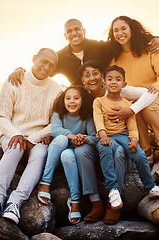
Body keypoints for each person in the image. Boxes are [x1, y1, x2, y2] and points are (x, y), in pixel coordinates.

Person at [0, 48, 62, 225]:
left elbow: (53, 124)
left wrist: (33, 138)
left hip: (38, 138)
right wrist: (17, 134)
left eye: (52, 65)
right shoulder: (14, 81)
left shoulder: (56, 89)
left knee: (40, 154)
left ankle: (14, 203)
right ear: (34, 59)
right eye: (44, 62)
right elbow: (1, 116)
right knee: (15, 148)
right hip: (13, 132)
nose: (47, 67)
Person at [93, 65, 159, 224]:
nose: (114, 82)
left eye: (118, 79)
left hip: (122, 135)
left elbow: (132, 126)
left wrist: (134, 140)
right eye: (110, 79)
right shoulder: (99, 101)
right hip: (106, 136)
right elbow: (98, 120)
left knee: (139, 154)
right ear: (104, 82)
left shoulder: (127, 104)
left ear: (124, 84)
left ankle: (150, 188)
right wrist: (103, 135)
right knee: (106, 151)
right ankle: (113, 190)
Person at [105, 16, 159, 165]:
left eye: (123, 28)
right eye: (115, 30)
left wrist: (157, 88)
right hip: (139, 97)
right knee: (136, 107)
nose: (120, 33)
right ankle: (146, 151)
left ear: (132, 30)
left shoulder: (151, 48)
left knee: (147, 106)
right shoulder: (115, 58)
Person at [8, 18, 159, 86]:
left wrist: (155, 38)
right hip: (79, 98)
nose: (74, 33)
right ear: (65, 36)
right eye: (69, 31)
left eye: (77, 29)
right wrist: (20, 70)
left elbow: (122, 39)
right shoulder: (60, 56)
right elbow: (42, 70)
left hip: (102, 95)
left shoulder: (100, 47)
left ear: (84, 31)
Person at [37, 85, 99, 225]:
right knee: (61, 139)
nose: (72, 102)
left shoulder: (86, 116)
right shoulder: (60, 114)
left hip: (71, 154)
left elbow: (94, 138)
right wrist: (72, 137)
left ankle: (75, 200)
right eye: (68, 98)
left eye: (76, 98)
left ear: (83, 100)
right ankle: (45, 182)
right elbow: (55, 130)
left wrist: (83, 139)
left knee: (67, 155)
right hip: (56, 152)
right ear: (63, 100)